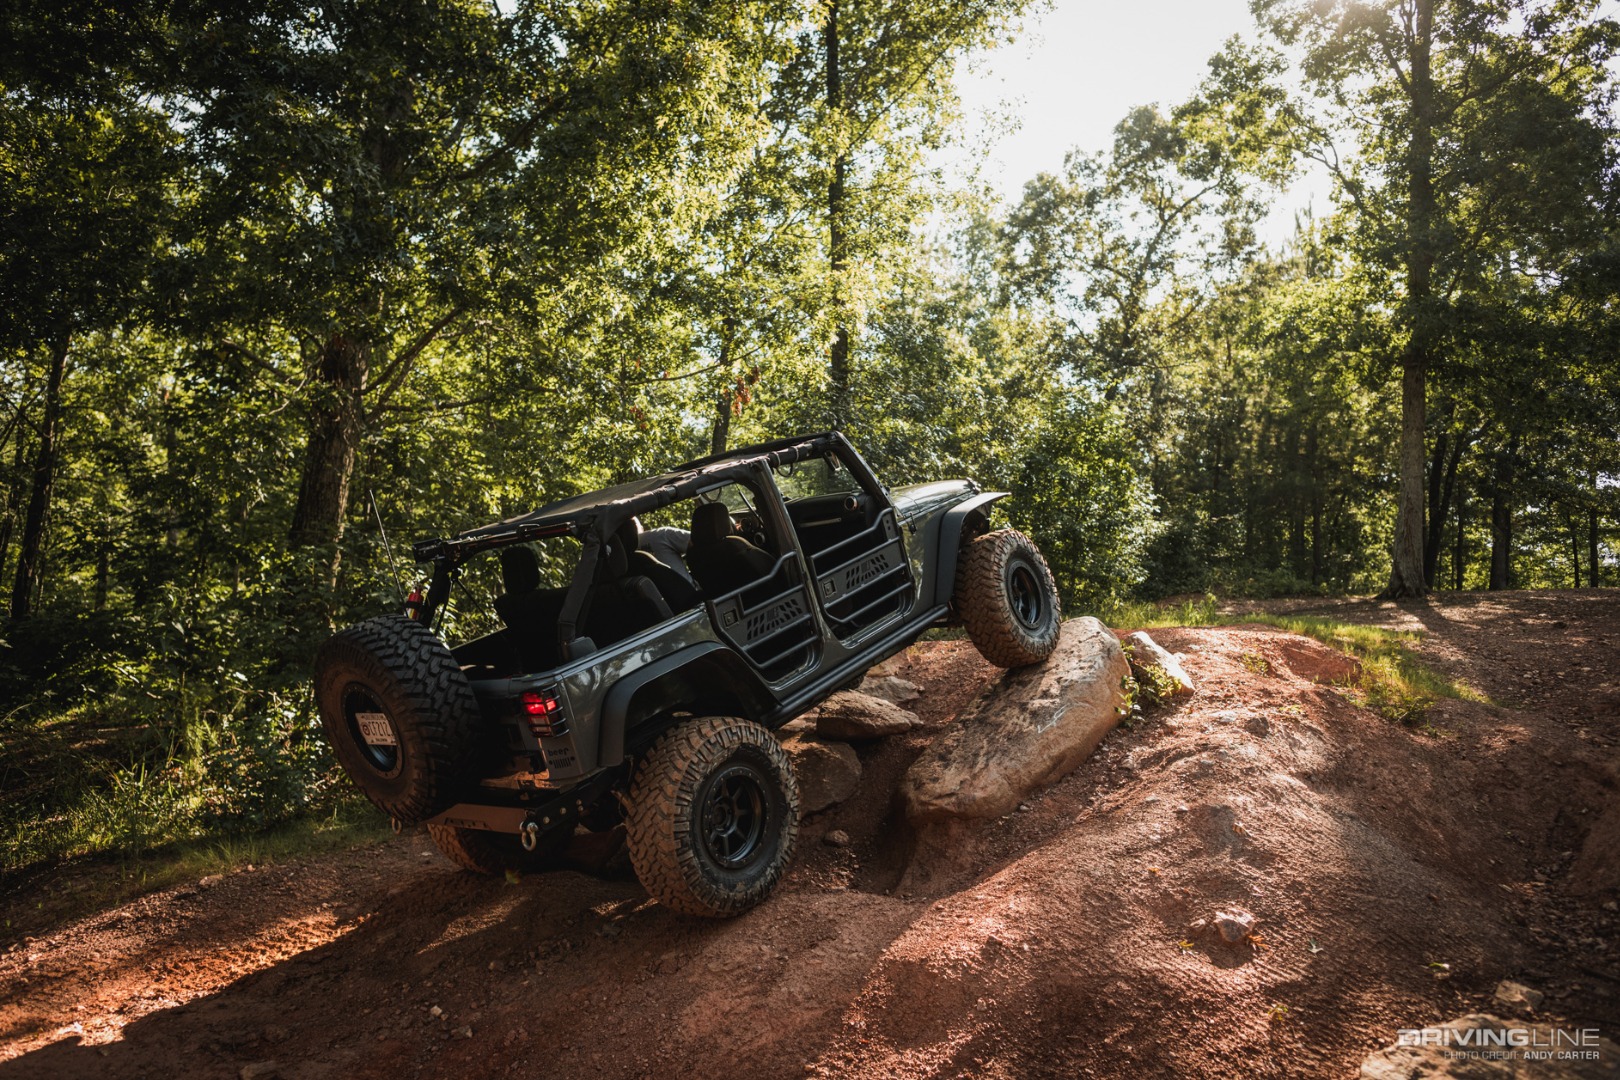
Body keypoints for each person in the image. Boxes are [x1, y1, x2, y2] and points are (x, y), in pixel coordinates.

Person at [634, 519, 696, 586]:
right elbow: (700, 541)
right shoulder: (662, 535)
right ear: (641, 527)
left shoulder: (626, 556)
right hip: (686, 589)